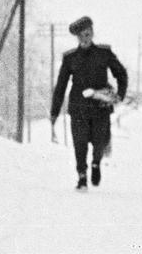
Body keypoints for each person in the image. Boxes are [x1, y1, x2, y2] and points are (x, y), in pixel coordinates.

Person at [50, 15, 128, 190]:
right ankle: (82, 176)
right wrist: (54, 111)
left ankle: (95, 164)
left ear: (92, 33)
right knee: (80, 143)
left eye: (87, 34)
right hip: (78, 108)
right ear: (77, 38)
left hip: (100, 107)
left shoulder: (104, 53)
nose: (84, 39)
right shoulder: (70, 58)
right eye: (81, 36)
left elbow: (121, 73)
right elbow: (61, 86)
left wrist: (119, 96)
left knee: (100, 141)